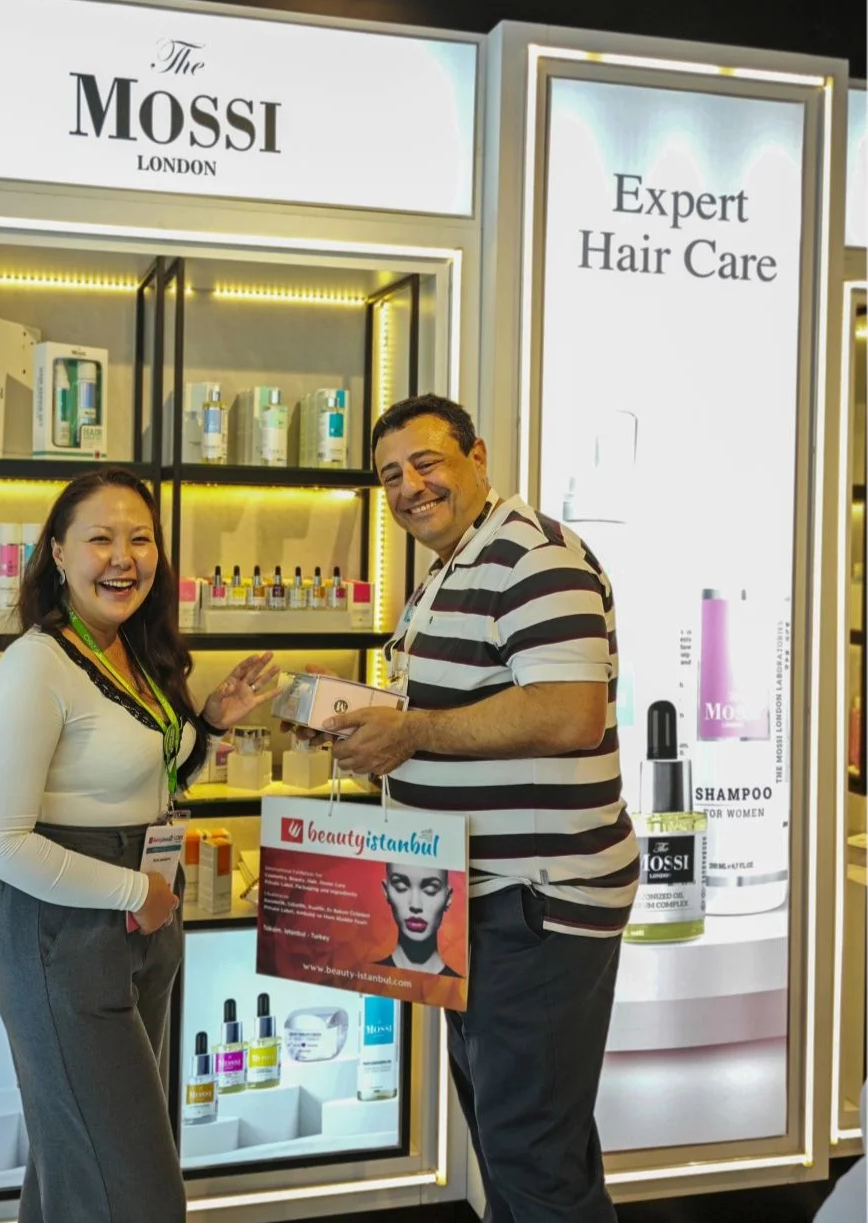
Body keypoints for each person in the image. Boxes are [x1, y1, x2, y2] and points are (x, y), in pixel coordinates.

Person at [322, 395, 638, 1223]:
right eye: (391, 475)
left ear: (478, 457)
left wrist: (412, 732)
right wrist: (369, 730)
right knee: (517, 1144)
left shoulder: (534, 557)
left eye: (426, 462)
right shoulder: (452, 567)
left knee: (531, 1153)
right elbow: (452, 706)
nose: (410, 487)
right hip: (474, 901)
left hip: (536, 904)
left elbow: (569, 713)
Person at [0, 467, 278, 1223]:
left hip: (142, 931)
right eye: (100, 539)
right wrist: (134, 890)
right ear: (58, 551)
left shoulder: (130, 651)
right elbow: (1, 843)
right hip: (63, 939)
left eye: (140, 539)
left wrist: (209, 723)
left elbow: (150, 779)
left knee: (77, 1173)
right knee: (136, 1193)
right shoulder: (37, 663)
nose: (123, 558)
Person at [377, 862, 461, 975]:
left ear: (448, 897)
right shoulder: (366, 976)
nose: (415, 905)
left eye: (431, 889)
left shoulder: (459, 985)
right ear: (386, 891)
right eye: (401, 886)